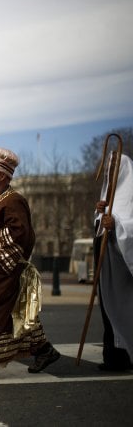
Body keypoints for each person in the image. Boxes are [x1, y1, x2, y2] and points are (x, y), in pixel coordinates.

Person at [0, 148, 60, 380]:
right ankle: (44, 349)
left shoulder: (14, 200)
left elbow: (22, 235)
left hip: (8, 268)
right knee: (12, 313)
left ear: (3, 176)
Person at [94, 151, 133, 371]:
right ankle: (114, 357)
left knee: (123, 307)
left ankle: (125, 354)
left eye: (114, 166)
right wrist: (100, 214)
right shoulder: (109, 195)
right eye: (108, 166)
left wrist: (117, 224)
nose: (110, 170)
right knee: (108, 307)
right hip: (106, 255)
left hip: (123, 261)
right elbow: (101, 227)